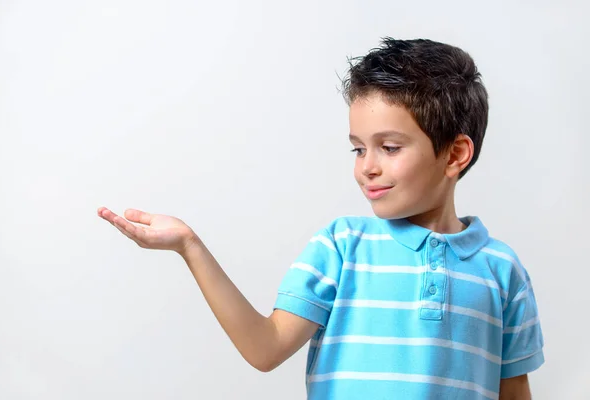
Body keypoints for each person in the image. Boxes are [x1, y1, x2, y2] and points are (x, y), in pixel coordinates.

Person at [97, 37, 544, 400]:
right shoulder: (341, 246)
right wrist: (189, 246)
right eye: (358, 147)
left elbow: (514, 392)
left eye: (389, 148)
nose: (367, 166)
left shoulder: (501, 271)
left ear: (455, 154)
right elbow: (264, 347)